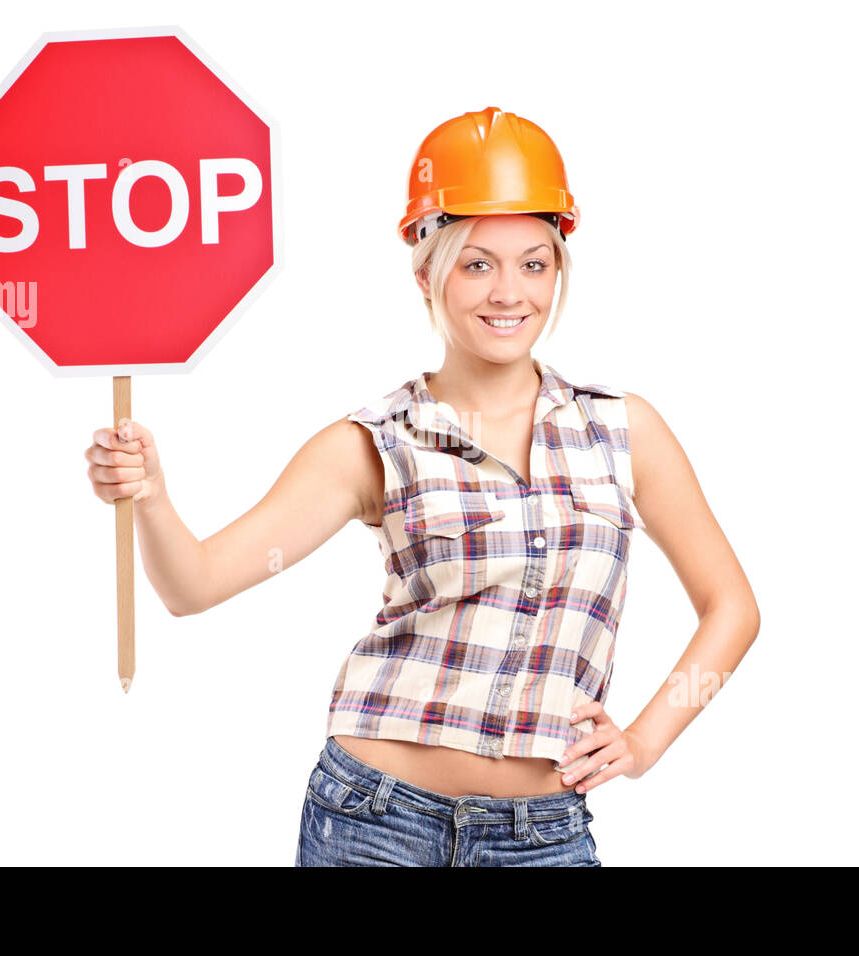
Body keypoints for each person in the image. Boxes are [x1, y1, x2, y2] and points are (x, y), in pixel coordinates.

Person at [83, 107, 760, 866]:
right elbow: (194, 584)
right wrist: (149, 494)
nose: (509, 292)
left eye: (534, 263)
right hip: (374, 820)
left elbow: (732, 608)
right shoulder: (375, 440)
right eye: (477, 264)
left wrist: (643, 742)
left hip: (543, 836)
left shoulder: (623, 430)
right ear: (425, 275)